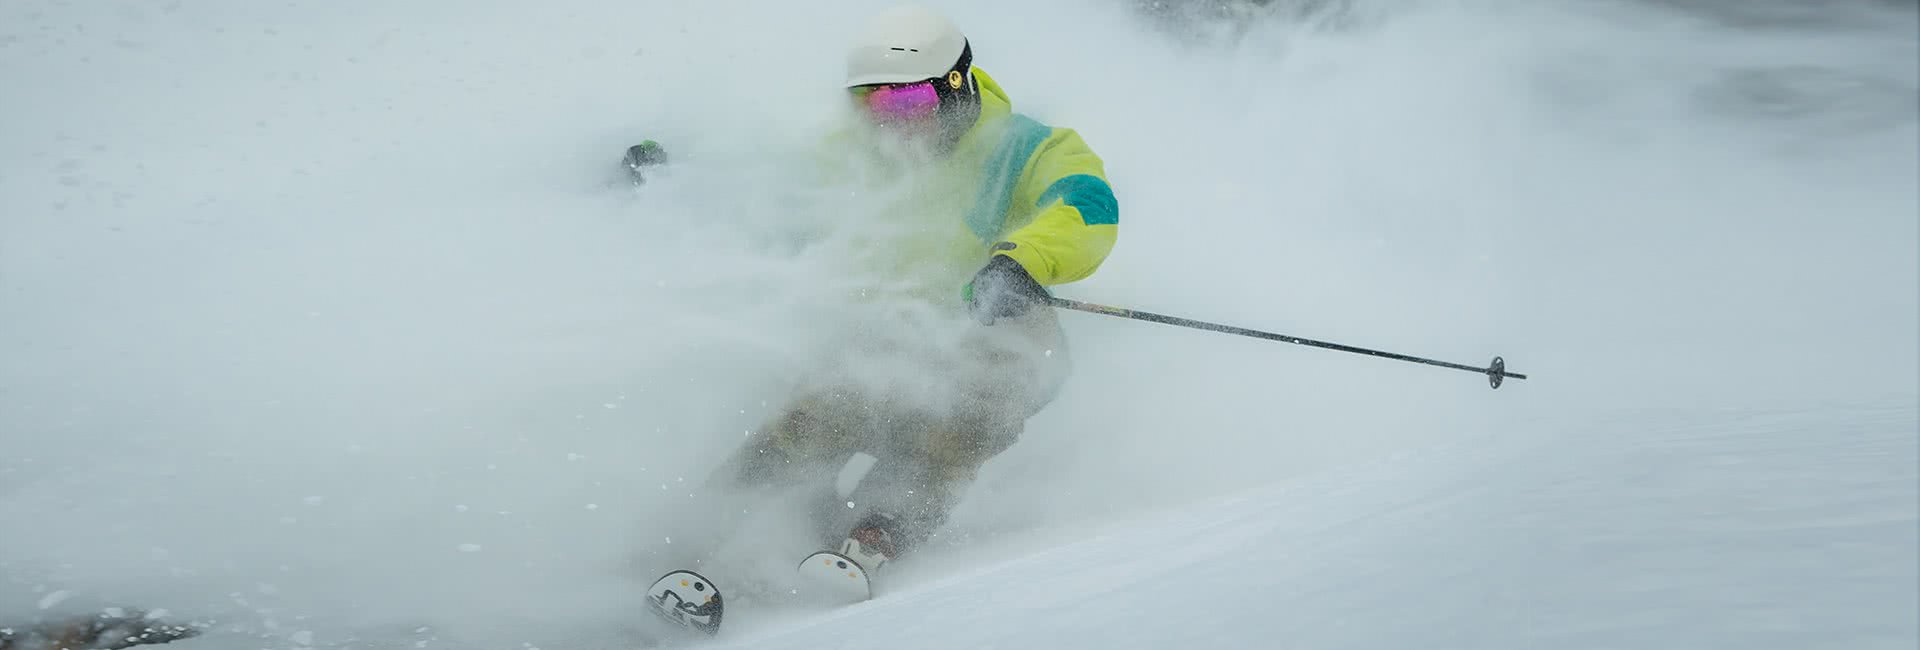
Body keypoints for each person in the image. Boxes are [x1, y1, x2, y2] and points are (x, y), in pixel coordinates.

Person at [681, 4, 1120, 574]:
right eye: (870, 103)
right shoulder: (851, 154)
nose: (891, 121)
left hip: (994, 322)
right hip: (889, 329)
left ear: (955, 84)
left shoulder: (1027, 148)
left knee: (969, 404)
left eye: (906, 100)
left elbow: (1087, 204)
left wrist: (1023, 263)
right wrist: (676, 176)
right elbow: (766, 188)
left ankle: (875, 536)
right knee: (816, 418)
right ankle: (691, 537)